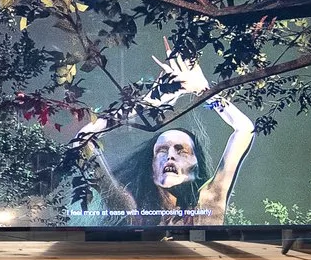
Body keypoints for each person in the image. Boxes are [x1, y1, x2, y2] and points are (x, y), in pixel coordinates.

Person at [77, 50, 257, 225]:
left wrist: (204, 90)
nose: (170, 155)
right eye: (161, 151)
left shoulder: (207, 206)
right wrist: (146, 104)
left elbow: (244, 129)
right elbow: (81, 141)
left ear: (197, 166)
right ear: (151, 167)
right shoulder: (132, 213)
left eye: (182, 150)